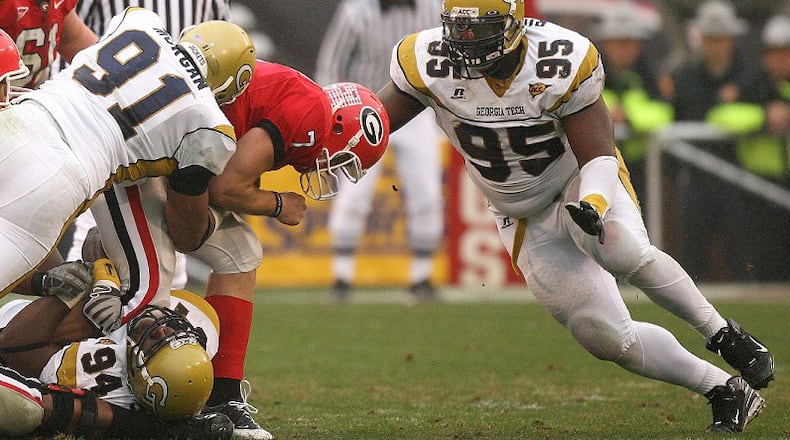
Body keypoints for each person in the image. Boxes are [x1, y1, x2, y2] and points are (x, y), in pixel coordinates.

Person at [376, 0, 774, 433]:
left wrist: (595, 204)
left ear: (511, 25)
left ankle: (724, 335)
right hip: (520, 212)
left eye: (482, 28)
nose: (468, 42)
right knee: (603, 336)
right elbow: (376, 120)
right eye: (460, 29)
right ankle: (725, 390)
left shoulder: (558, 59)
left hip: (577, 180)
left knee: (620, 247)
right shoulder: (428, 60)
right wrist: (336, 137)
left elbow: (599, 155)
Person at [0, 7, 255, 298]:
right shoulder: (212, 124)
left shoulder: (140, 19)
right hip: (62, 175)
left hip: (24, 119)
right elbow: (186, 227)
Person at [65, 0, 235, 288]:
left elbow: (220, 38)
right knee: (98, 242)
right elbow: (68, 37)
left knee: (164, 260)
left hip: (169, 124)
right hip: (114, 125)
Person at [315, 0, 445, 302]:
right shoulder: (356, 11)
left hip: (416, 109)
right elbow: (331, 65)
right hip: (360, 112)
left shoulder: (431, 7)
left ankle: (421, 276)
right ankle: (342, 276)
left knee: (426, 192)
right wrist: (329, 114)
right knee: (355, 194)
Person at [0, 278, 233, 439]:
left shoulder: (106, 372)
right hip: (23, 318)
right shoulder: (195, 334)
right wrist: (104, 277)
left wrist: (70, 294)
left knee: (24, 408)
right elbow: (95, 239)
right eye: (172, 331)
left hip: (15, 337)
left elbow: (14, 346)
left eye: (156, 343)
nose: (160, 330)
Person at [661, 0, 769, 281]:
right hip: (696, 176)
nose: (716, 46)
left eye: (722, 39)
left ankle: (750, 301)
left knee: (743, 244)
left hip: (742, 174)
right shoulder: (683, 76)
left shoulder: (753, 75)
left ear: (732, 39)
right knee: (692, 246)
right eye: (711, 39)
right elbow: (677, 120)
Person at [594, 2, 673, 208]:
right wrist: (606, 114)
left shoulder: (650, 74)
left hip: (643, 168)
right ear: (605, 43)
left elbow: (664, 112)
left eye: (628, 42)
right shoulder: (591, 72)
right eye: (616, 42)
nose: (623, 49)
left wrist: (628, 116)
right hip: (597, 168)